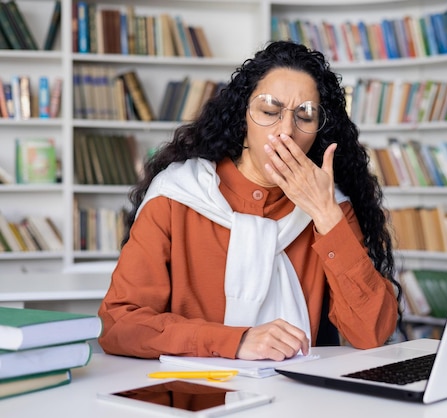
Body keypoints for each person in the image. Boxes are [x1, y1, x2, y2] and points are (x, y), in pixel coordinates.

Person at [98, 40, 402, 362]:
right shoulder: (176, 195)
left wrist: (326, 216)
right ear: (242, 117)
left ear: (319, 132)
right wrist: (235, 341)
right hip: (194, 400)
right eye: (269, 111)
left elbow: (372, 331)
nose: (286, 131)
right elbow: (119, 324)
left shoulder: (330, 206)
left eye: (306, 116)